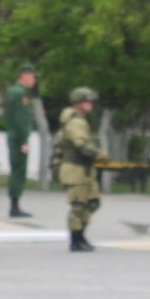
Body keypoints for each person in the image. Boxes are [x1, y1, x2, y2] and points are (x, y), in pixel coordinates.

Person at [55, 87, 103, 252]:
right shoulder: (76, 122)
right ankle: (76, 240)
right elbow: (81, 144)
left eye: (90, 101)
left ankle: (81, 235)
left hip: (85, 168)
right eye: (86, 101)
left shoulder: (81, 120)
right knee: (78, 205)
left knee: (92, 202)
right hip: (75, 168)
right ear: (78, 103)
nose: (90, 105)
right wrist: (98, 154)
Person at [3, 64, 40, 218]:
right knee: (18, 171)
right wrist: (23, 140)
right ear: (24, 75)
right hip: (18, 138)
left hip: (15, 136)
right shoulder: (19, 93)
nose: (34, 80)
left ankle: (15, 205)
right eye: (32, 76)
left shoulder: (17, 92)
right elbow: (19, 119)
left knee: (18, 170)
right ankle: (14, 207)